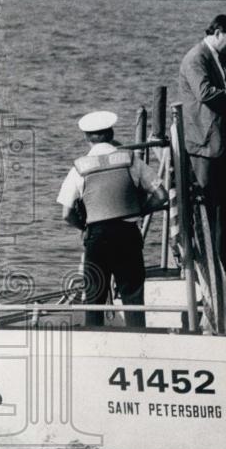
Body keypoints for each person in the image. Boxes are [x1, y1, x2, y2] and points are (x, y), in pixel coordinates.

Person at [57, 110, 167, 327]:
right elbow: (161, 195)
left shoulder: (79, 168)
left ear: (87, 138)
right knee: (133, 295)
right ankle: (139, 341)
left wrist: (84, 227)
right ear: (111, 133)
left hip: (97, 237)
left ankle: (95, 343)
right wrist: (141, 210)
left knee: (94, 296)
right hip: (127, 234)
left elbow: (66, 214)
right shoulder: (131, 160)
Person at [178, 14, 226, 268]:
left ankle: (224, 259)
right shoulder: (196, 58)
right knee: (206, 205)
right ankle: (204, 260)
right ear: (218, 32)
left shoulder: (216, 56)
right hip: (203, 144)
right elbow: (205, 93)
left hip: (219, 143)